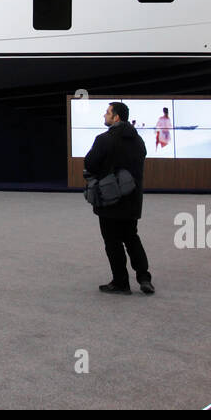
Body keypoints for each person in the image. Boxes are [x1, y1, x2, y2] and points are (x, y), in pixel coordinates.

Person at [84, 101, 153, 296]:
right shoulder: (138, 140)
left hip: (109, 200)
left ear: (116, 117)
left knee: (112, 242)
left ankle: (121, 282)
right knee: (132, 237)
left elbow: (90, 163)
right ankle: (144, 277)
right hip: (132, 200)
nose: (104, 116)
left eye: (107, 113)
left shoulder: (104, 139)